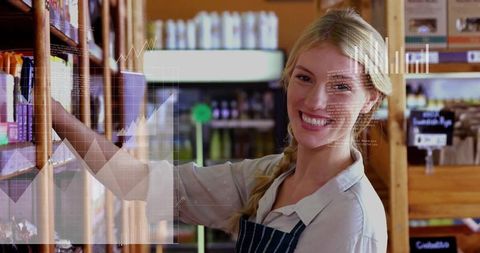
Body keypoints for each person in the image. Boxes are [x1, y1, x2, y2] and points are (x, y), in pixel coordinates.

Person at [52, 8, 392, 253]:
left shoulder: (352, 218)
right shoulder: (270, 176)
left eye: (341, 86)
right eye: (304, 78)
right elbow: (138, 182)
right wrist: (54, 114)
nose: (316, 101)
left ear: (370, 99)